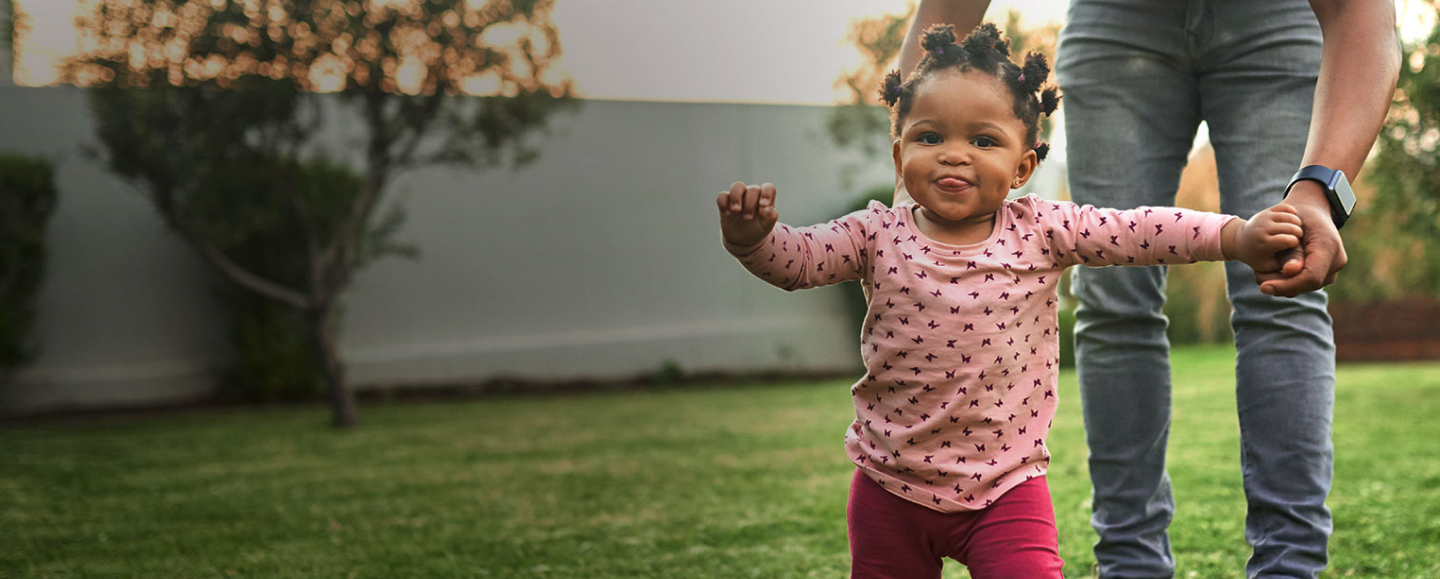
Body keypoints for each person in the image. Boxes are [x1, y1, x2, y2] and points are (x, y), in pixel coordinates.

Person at [716, 24, 1308, 579]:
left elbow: (1140, 230)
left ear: (1023, 165)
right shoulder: (874, 234)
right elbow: (799, 262)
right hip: (887, 486)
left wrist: (1236, 235)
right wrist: (755, 239)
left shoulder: (1042, 230)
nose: (953, 153)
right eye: (929, 136)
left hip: (1006, 490)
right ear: (899, 156)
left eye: (982, 139)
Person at [895, 1, 1400, 577]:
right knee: (1115, 299)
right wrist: (910, 201)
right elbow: (946, 10)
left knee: (1284, 276)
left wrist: (1318, 190)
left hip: (1279, 19)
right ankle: (1130, 565)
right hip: (1119, 21)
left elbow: (1362, 13)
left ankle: (1291, 566)